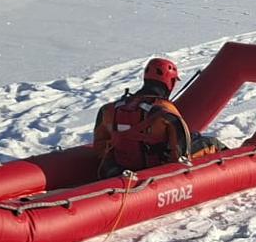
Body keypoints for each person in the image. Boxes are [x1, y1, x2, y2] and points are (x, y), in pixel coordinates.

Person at [92, 57, 224, 178]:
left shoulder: (108, 109)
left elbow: (99, 147)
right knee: (211, 143)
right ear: (171, 82)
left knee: (193, 135)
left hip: (121, 167)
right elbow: (181, 156)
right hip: (155, 169)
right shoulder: (166, 112)